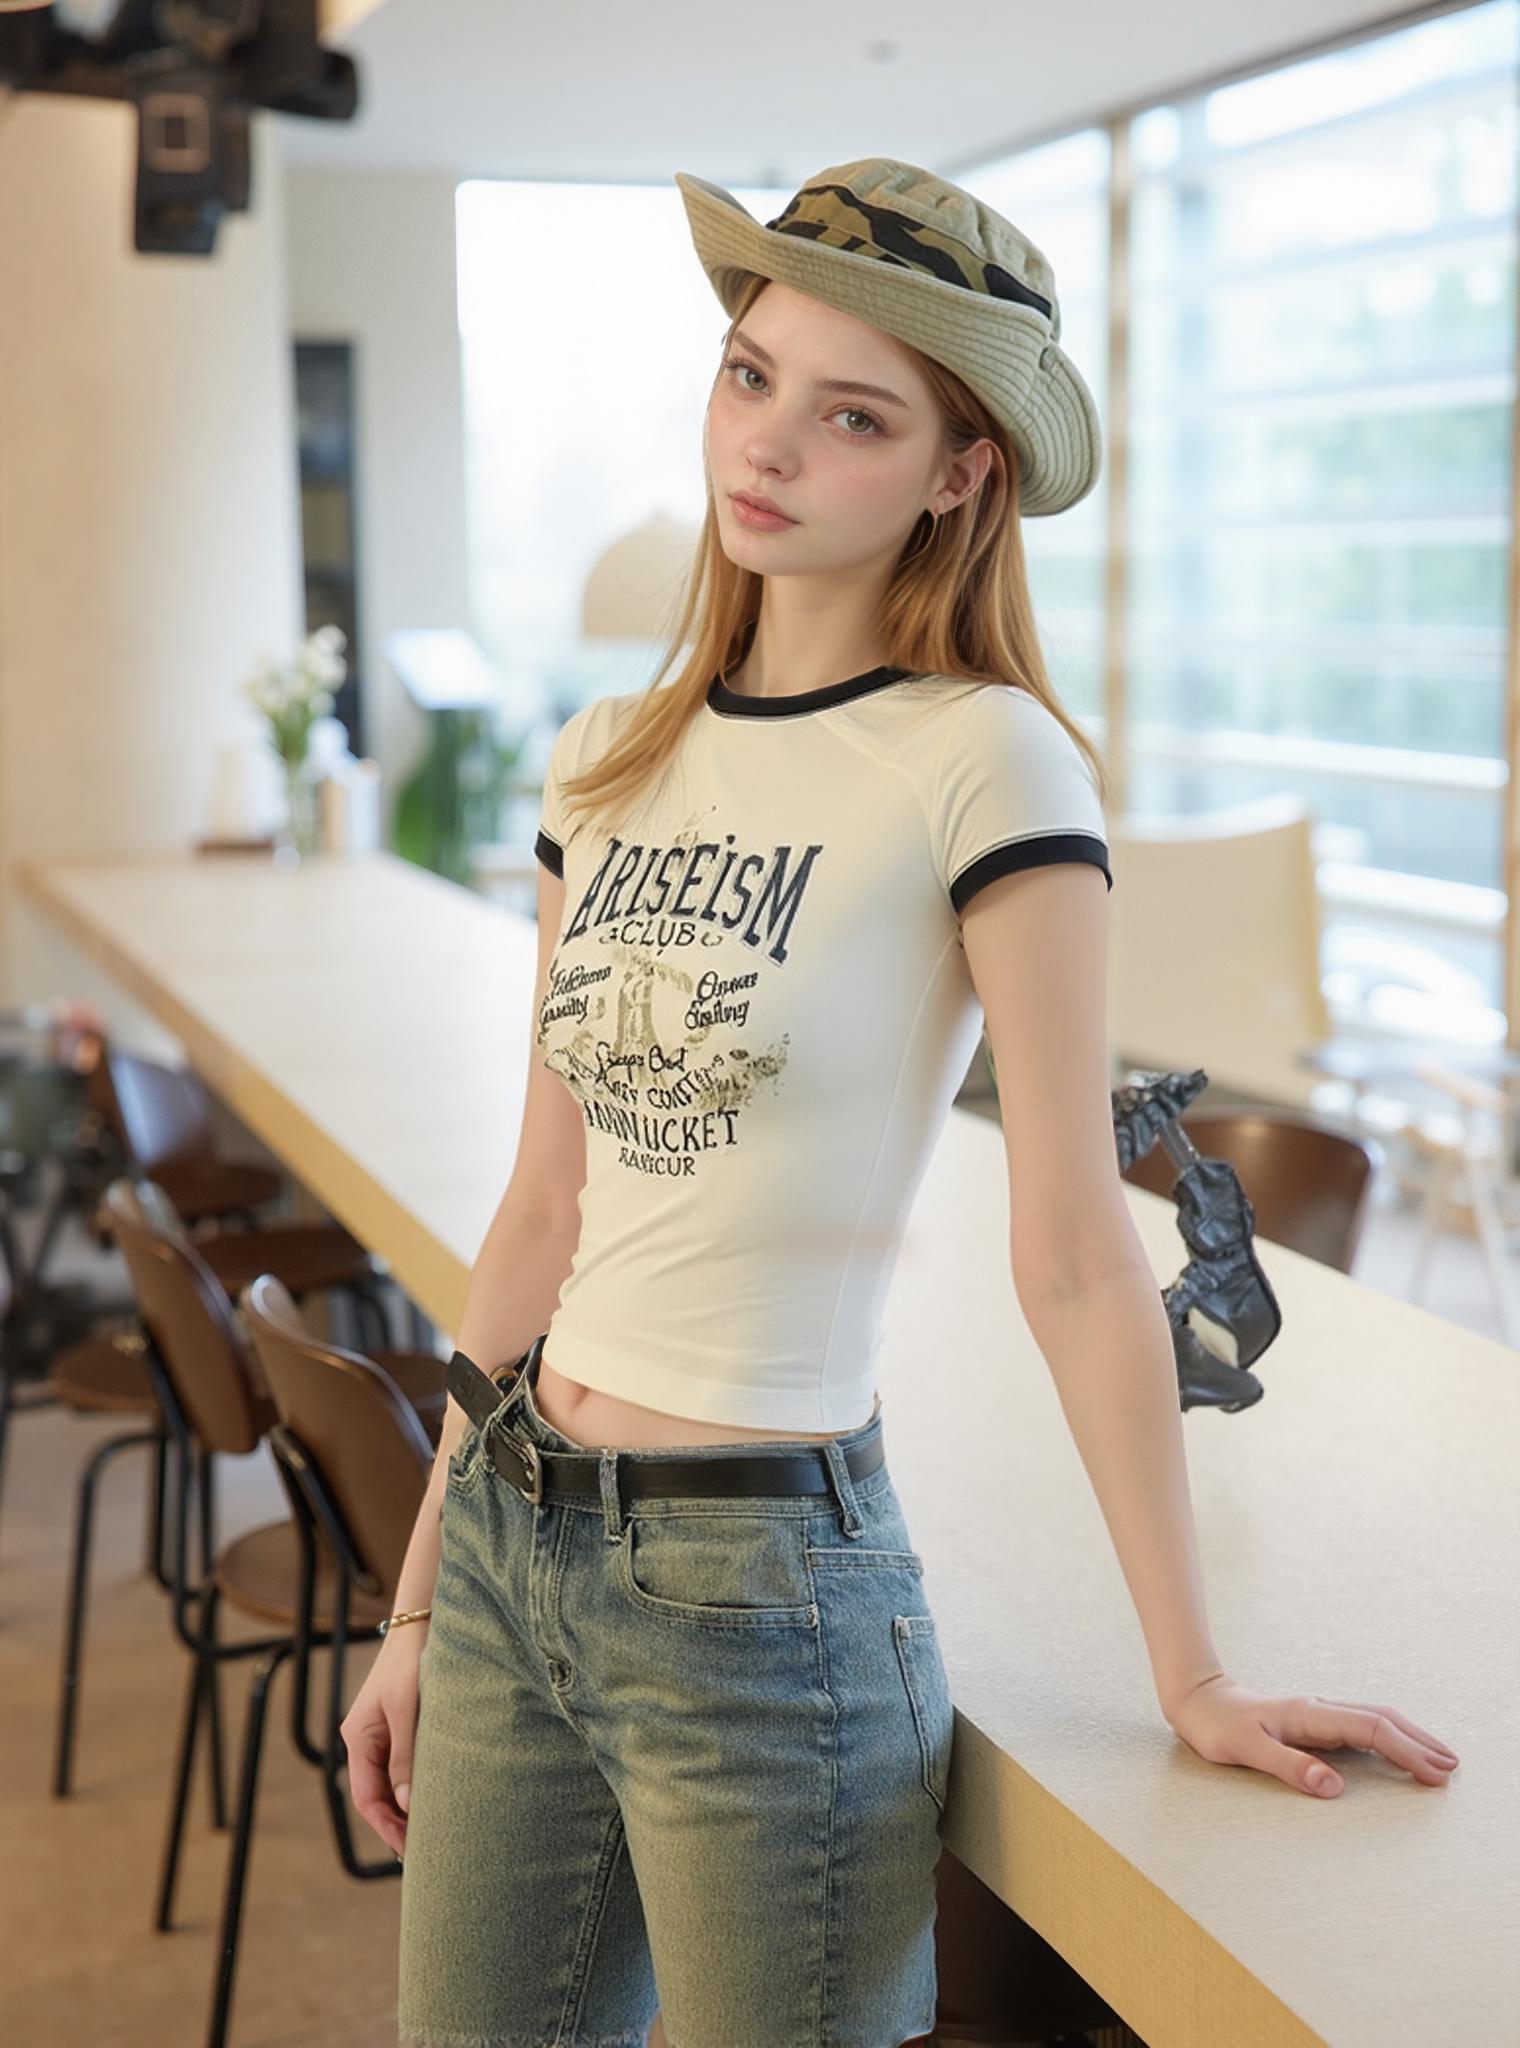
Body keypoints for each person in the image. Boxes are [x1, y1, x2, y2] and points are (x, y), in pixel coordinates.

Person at [342, 157, 1459, 2048]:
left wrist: (1191, 1673)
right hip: (519, 1539)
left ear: (961, 473)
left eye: (854, 415)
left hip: (759, 1595)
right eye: (749, 375)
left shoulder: (987, 761)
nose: (767, 442)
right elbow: (544, 1213)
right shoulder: (603, 760)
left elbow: (1076, 1252)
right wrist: (418, 1601)